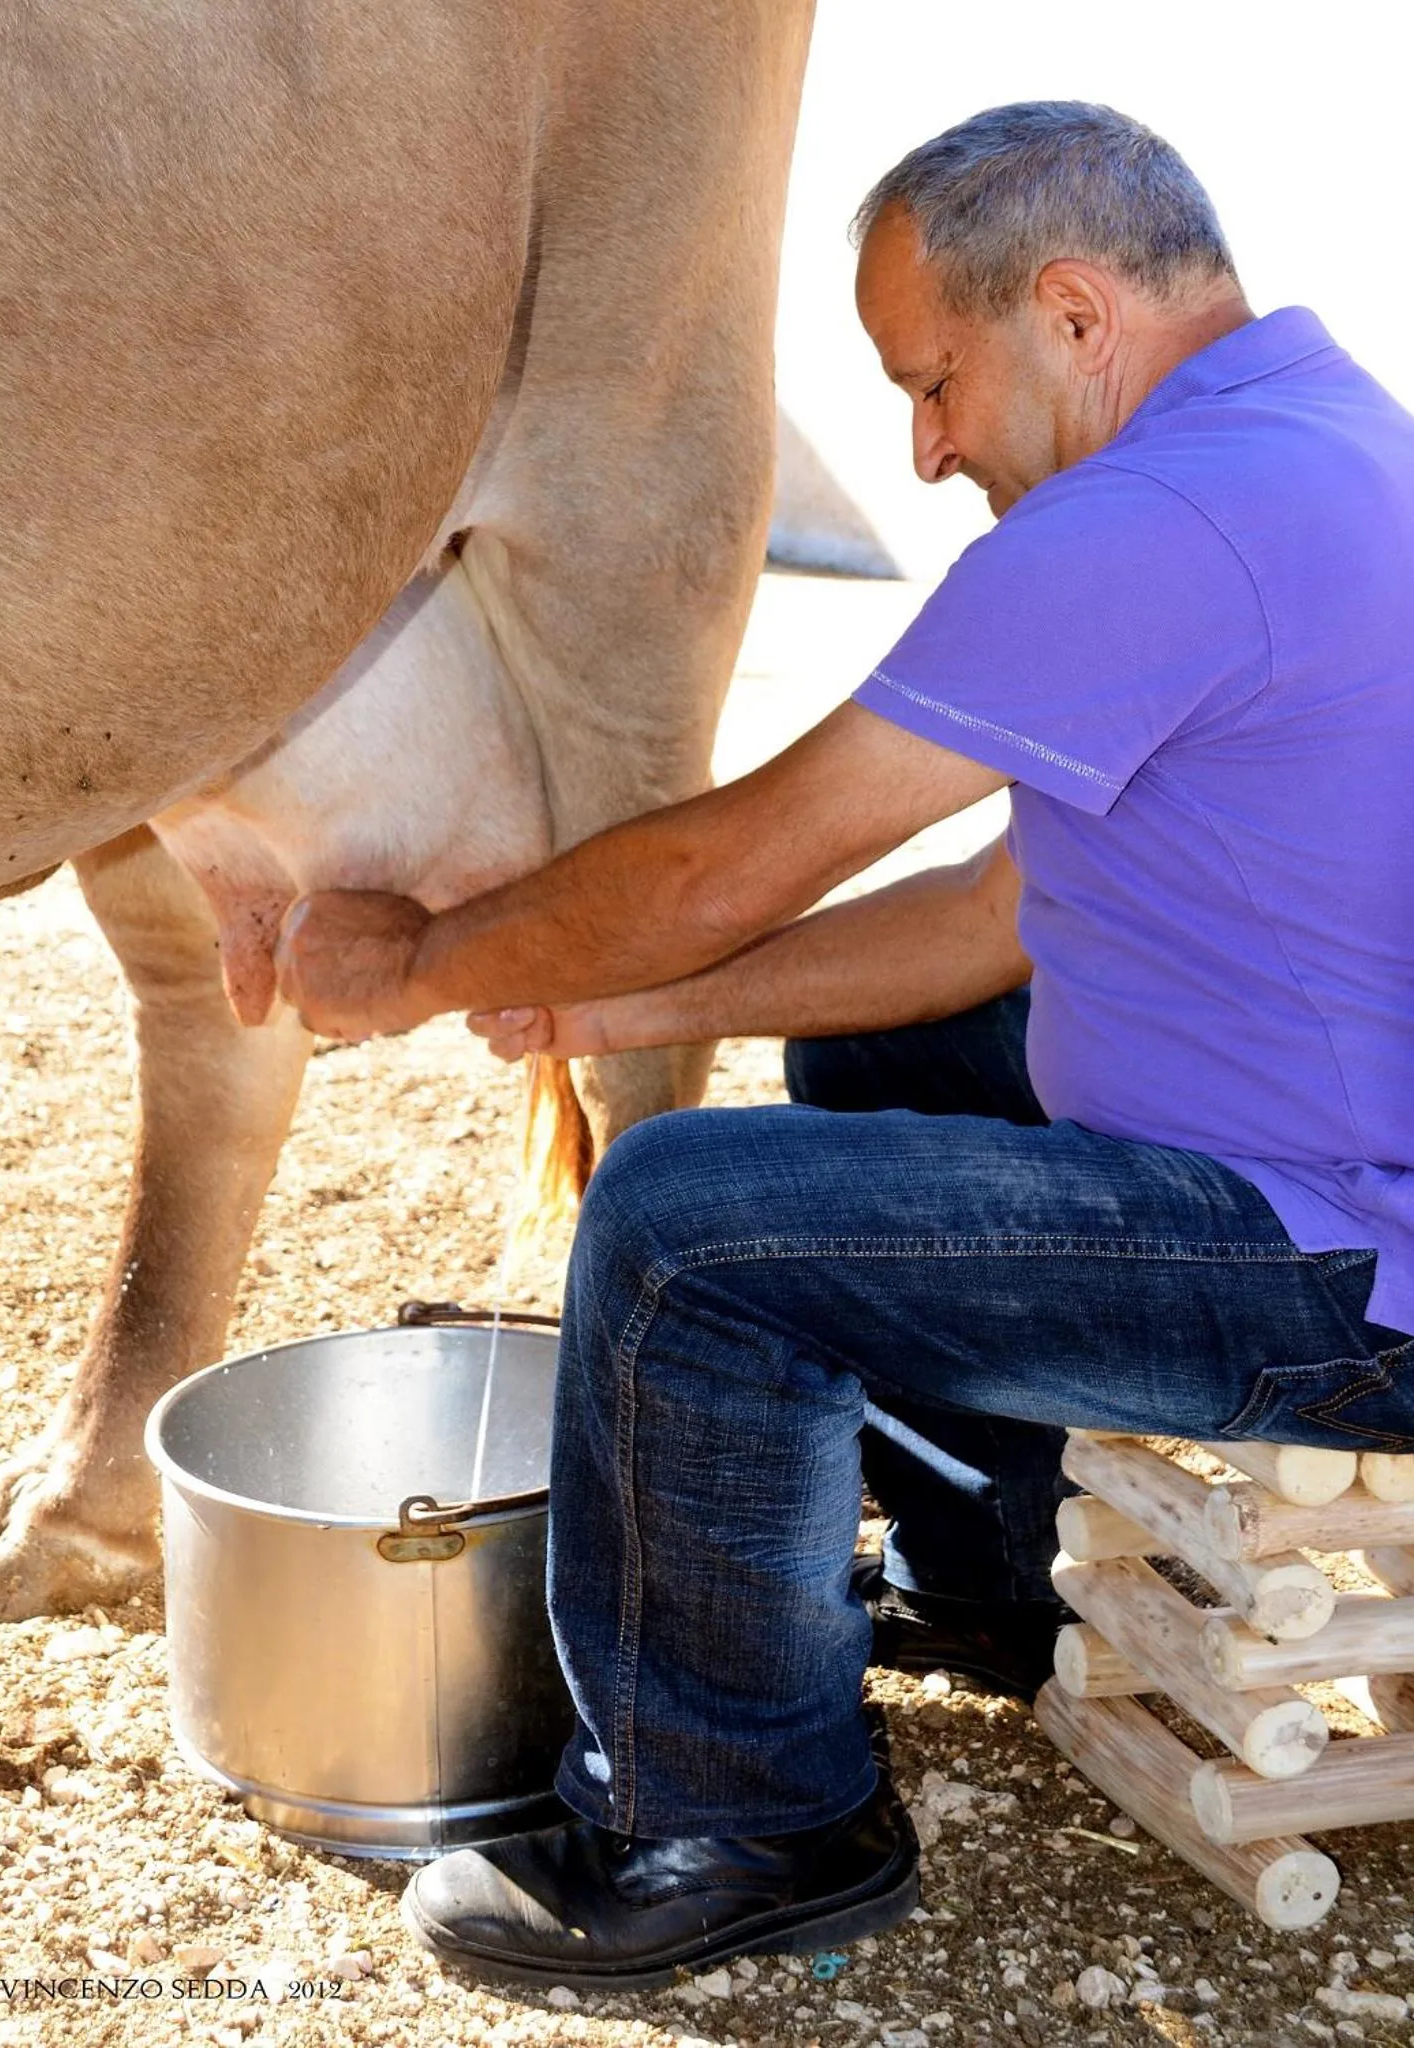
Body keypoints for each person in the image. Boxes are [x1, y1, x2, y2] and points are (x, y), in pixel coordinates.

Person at [275, 101, 1414, 1990]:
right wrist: (621, 1005)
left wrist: (410, 960)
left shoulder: (1155, 523)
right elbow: (993, 922)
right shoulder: (1311, 444)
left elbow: (743, 856)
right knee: (890, 1056)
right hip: (1325, 1183)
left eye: (934, 381)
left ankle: (748, 1815)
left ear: (1069, 312)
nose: (924, 444)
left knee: (685, 1227)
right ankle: (998, 1579)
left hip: (1331, 1281)